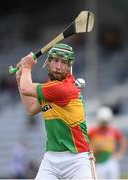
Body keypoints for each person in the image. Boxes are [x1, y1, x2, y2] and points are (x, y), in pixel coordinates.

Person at [14, 43, 97, 179]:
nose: (58, 66)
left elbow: (26, 88)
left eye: (64, 62)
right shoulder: (49, 88)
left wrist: (27, 66)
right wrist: (19, 79)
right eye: (55, 61)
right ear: (48, 63)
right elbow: (30, 109)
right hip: (51, 159)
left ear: (69, 67)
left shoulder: (63, 88)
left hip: (77, 159)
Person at [88, 106, 127, 179]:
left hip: (110, 160)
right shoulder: (93, 131)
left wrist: (120, 153)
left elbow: (123, 140)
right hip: (98, 161)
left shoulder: (113, 130)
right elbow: (86, 143)